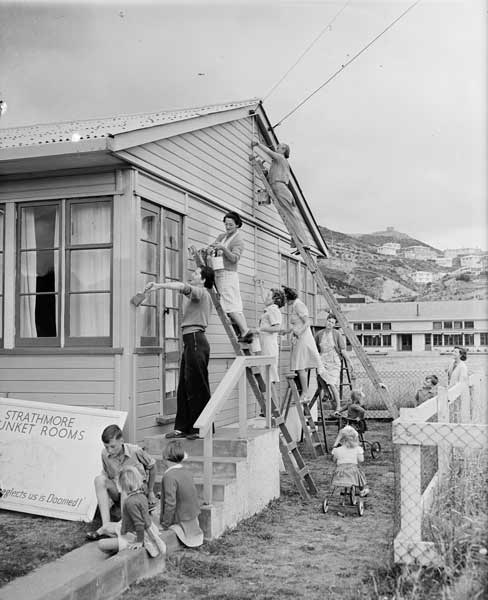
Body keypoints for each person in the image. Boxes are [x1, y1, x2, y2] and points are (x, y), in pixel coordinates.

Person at [144, 266, 214, 440]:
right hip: (190, 342)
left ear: (204, 279)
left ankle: (201, 429)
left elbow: (182, 287)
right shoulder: (197, 295)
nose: (193, 275)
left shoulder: (201, 292)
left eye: (197, 273)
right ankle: (183, 428)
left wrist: (159, 286)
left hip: (196, 340)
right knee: (184, 385)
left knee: (197, 386)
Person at [86, 424, 156, 541]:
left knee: (125, 486)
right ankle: (106, 526)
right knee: (99, 479)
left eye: (112, 446)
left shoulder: (136, 451)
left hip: (136, 492)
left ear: (121, 441)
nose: (109, 450)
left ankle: (124, 527)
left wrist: (151, 491)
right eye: (106, 447)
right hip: (117, 492)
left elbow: (153, 467)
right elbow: (108, 476)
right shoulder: (105, 454)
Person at [251, 139, 310, 249]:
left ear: (283, 150)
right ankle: (297, 242)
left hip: (281, 188)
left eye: (278, 147)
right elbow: (269, 177)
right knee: (288, 216)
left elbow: (269, 152)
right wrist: (262, 167)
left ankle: (304, 242)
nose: (276, 148)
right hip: (277, 187)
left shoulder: (281, 159)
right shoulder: (276, 164)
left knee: (291, 216)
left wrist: (258, 144)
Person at [98, 466, 166, 557]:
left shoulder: (130, 502)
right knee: (105, 527)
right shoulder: (141, 496)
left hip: (137, 535)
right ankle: (121, 541)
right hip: (141, 529)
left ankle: (126, 544)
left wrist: (139, 541)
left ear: (121, 485)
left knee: (101, 544)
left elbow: (139, 524)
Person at [208, 211, 253, 343]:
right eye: (226, 224)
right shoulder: (222, 236)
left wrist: (223, 248)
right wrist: (211, 249)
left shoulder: (238, 240)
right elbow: (211, 246)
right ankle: (245, 331)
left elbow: (234, 259)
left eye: (231, 225)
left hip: (227, 273)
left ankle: (245, 330)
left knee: (229, 305)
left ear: (237, 225)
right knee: (235, 304)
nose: (227, 227)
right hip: (219, 272)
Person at [282, 286, 324, 401]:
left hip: (303, 338)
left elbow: (307, 322)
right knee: (300, 366)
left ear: (287, 297)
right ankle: (304, 392)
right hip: (298, 337)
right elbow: (296, 324)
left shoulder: (298, 305)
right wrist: (287, 331)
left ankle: (305, 393)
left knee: (301, 366)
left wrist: (299, 332)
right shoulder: (294, 306)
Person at [160, 440, 204, 548]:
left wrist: (165, 524)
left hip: (181, 518)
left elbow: (170, 503)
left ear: (165, 457)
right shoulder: (186, 471)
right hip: (192, 515)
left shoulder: (169, 476)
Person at [315, 313, 354, 411]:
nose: (329, 323)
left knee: (332, 383)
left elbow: (343, 350)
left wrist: (350, 362)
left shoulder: (337, 334)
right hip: (322, 358)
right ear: (326, 321)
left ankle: (338, 407)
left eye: (332, 322)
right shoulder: (319, 334)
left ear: (334, 324)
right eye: (329, 321)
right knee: (319, 374)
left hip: (334, 360)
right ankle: (327, 392)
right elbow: (315, 349)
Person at [256, 282, 285, 384]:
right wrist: (260, 285)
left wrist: (262, 329)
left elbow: (277, 327)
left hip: (269, 346)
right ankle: (266, 399)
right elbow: (265, 298)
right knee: (264, 374)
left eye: (269, 296)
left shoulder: (273, 310)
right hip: (264, 344)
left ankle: (267, 399)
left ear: (274, 300)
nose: (266, 297)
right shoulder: (269, 309)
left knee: (267, 376)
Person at [331, 425, 369, 497]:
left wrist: (336, 443)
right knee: (360, 473)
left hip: (340, 474)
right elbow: (361, 460)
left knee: (338, 471)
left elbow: (334, 460)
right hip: (352, 473)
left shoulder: (337, 450)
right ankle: (362, 489)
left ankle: (336, 492)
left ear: (341, 440)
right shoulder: (358, 449)